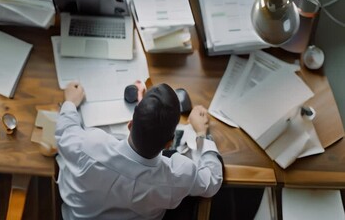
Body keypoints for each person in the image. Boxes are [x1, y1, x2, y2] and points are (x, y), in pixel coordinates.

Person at [55, 81, 223, 220]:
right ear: (169, 144)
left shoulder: (90, 145)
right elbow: (212, 181)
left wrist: (70, 102)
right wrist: (202, 134)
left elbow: (65, 132)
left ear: (130, 125)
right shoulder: (176, 176)